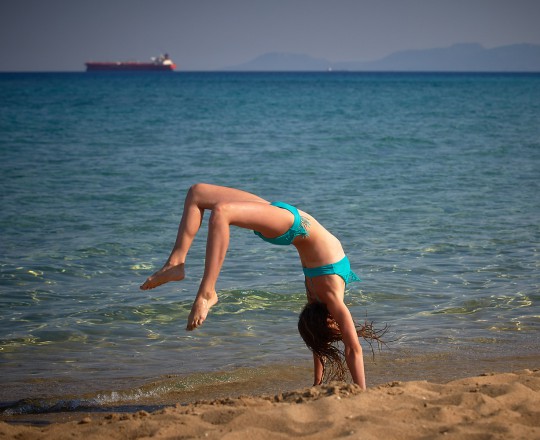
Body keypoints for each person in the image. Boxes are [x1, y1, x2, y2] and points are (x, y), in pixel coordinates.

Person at [140, 183, 366, 389]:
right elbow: (320, 345)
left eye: (335, 329)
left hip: (293, 224)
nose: (343, 329)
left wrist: (361, 391)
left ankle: (207, 291)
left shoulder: (331, 299)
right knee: (197, 193)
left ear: (328, 320)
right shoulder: (320, 299)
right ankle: (175, 263)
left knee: (221, 212)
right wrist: (316, 382)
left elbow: (353, 349)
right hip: (284, 215)